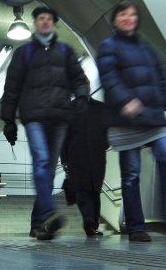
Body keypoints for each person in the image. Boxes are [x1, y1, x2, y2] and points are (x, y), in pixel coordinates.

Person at [98, 1, 166, 242]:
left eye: (132, 14)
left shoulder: (148, 49)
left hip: (154, 117)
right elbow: (109, 78)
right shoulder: (108, 47)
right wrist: (125, 100)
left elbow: (162, 80)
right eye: (123, 14)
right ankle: (136, 227)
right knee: (131, 175)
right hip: (126, 119)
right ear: (115, 20)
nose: (128, 17)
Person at [1, 6, 90, 240]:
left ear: (54, 23)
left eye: (49, 18)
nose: (45, 21)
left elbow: (79, 78)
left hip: (61, 117)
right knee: (41, 163)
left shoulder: (66, 51)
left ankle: (37, 225)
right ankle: (50, 212)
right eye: (41, 18)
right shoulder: (25, 53)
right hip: (34, 117)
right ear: (36, 23)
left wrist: (82, 95)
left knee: (48, 172)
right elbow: (11, 88)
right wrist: (8, 120)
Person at [61, 96, 108, 237]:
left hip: (96, 156)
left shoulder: (101, 107)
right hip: (76, 156)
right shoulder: (69, 108)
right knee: (81, 190)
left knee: (95, 191)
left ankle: (93, 223)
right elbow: (64, 134)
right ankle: (88, 221)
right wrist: (64, 158)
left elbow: (107, 129)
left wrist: (104, 144)